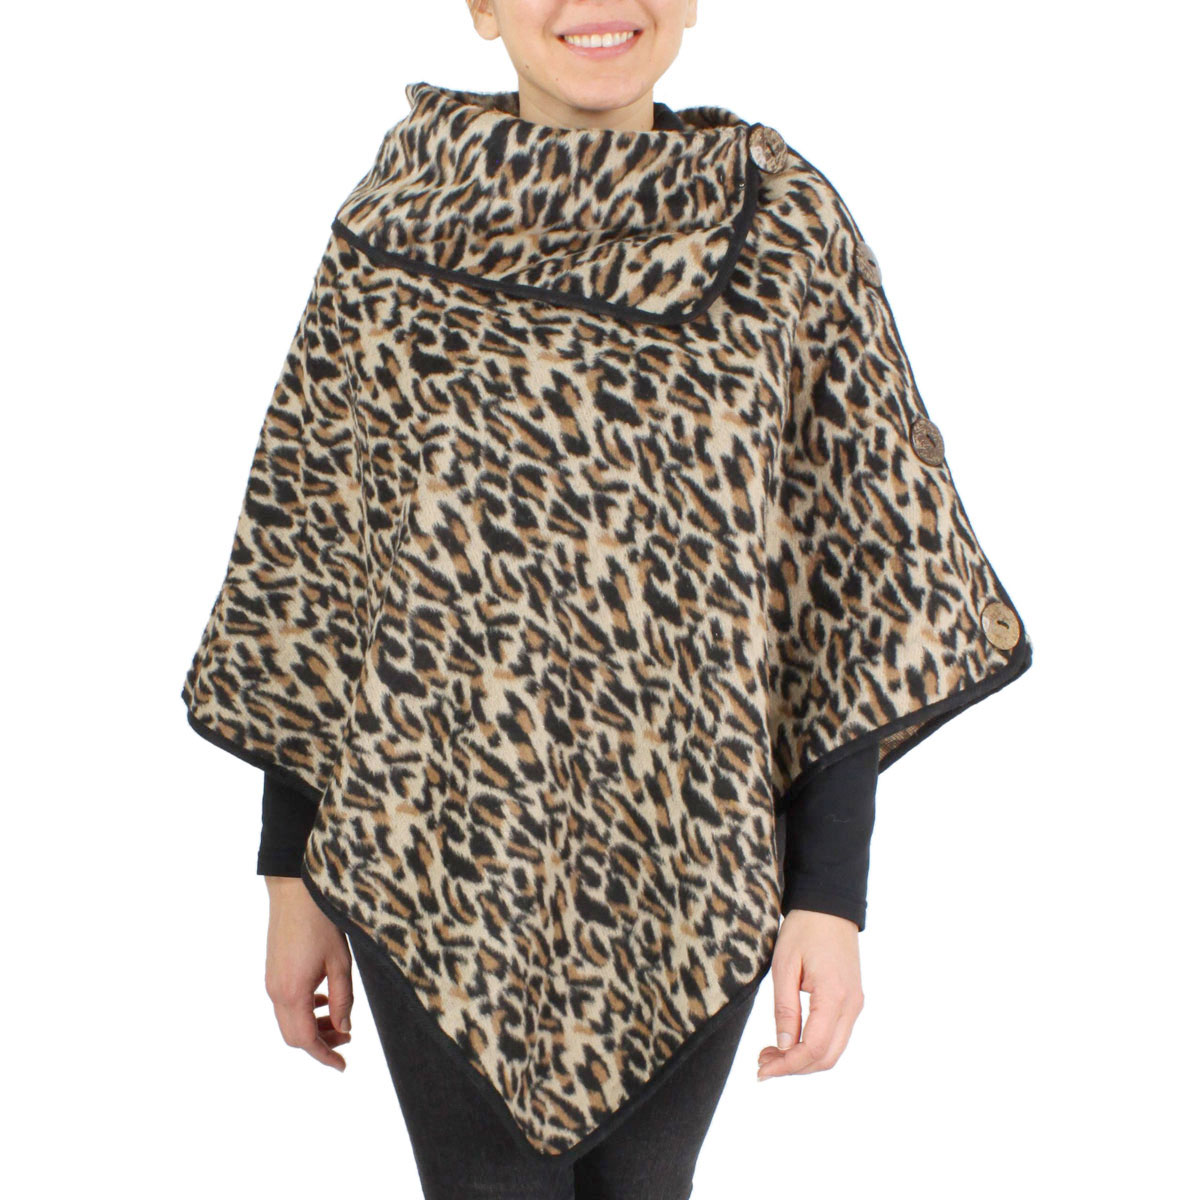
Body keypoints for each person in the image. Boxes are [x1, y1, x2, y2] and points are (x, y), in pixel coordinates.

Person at [181, 2, 1033, 1196]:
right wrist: (290, 874)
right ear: (482, 7)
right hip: (435, 852)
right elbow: (314, 569)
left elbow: (856, 578)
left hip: (693, 852)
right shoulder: (393, 233)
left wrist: (830, 898)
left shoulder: (782, 231)